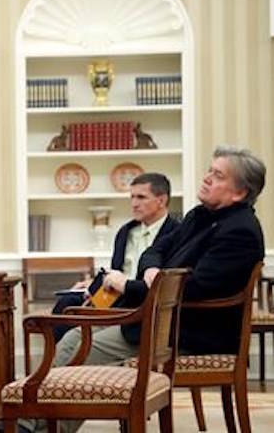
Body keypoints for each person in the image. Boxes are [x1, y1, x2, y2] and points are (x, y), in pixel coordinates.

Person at [43, 146, 265, 433]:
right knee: (75, 336)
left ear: (239, 192)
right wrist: (151, 272)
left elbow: (195, 288)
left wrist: (147, 283)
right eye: (210, 170)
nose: (207, 178)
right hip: (160, 319)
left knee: (80, 348)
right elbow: (155, 250)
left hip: (189, 333)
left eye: (218, 175)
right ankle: (40, 424)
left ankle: (34, 424)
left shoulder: (240, 231)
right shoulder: (199, 216)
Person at [51, 172, 179, 342]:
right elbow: (116, 271)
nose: (134, 204)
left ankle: (69, 362)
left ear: (161, 201)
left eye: (141, 197)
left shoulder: (177, 233)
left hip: (141, 299)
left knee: (75, 327)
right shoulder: (126, 232)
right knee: (68, 303)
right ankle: (57, 365)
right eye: (132, 197)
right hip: (114, 295)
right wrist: (92, 286)